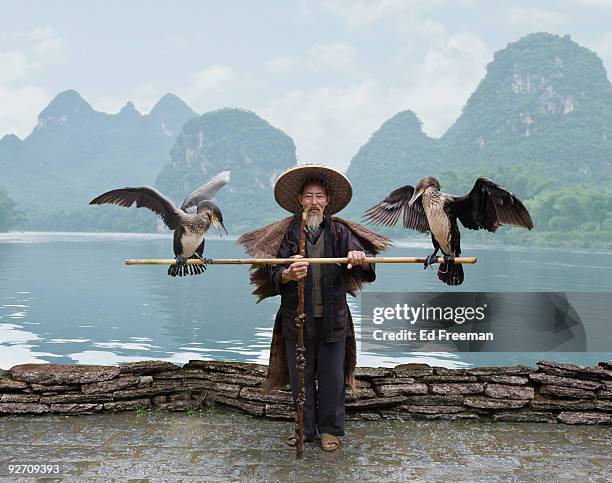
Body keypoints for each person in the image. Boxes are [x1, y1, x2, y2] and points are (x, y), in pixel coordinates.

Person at [237, 164, 391, 452]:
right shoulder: (287, 233)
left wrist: (360, 257)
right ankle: (303, 429)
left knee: (332, 377)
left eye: (320, 196)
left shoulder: (340, 231)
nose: (314, 202)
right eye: (308, 196)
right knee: (300, 377)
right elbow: (273, 272)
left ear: (328, 201)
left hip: (333, 318)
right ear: (299, 200)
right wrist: (287, 274)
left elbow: (367, 263)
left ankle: (330, 431)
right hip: (297, 319)